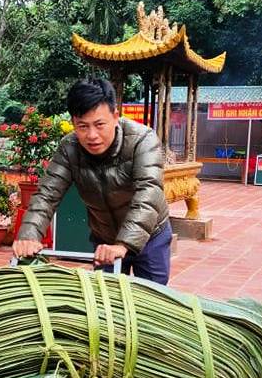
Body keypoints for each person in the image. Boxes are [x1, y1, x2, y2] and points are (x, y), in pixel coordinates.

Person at [13, 78, 172, 284]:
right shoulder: (69, 148)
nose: (92, 135)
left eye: (99, 124)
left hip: (151, 234)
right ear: (73, 123)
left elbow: (148, 193)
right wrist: (29, 236)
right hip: (104, 238)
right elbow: (47, 194)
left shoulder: (142, 140)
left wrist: (123, 244)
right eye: (83, 126)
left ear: (115, 117)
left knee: (153, 299)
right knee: (105, 300)